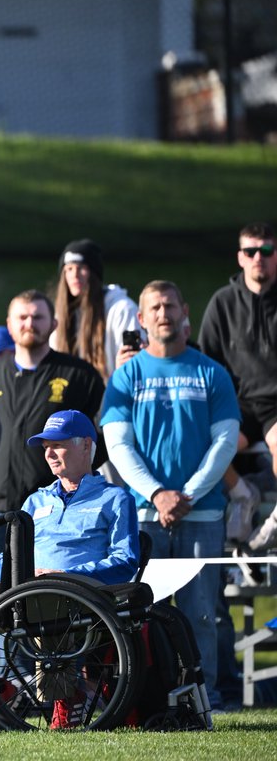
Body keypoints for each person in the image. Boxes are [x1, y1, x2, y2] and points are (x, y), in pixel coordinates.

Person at [0, 410, 139, 726]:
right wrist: (19, 575)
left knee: (48, 597)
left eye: (58, 445)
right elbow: (9, 557)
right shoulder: (35, 501)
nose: (49, 453)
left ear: (86, 445)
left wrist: (67, 577)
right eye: (45, 446)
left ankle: (64, 697)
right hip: (24, 589)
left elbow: (125, 562)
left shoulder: (114, 498)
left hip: (76, 594)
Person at [102, 280, 240, 710]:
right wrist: (158, 493)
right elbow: (118, 443)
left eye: (170, 306)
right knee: (142, 616)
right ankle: (148, 700)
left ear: (186, 315)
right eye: (154, 308)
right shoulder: (127, 376)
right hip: (144, 515)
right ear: (141, 320)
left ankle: (206, 699)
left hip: (202, 515)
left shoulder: (211, 372)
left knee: (202, 614)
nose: (164, 314)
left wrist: (188, 496)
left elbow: (225, 442)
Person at [0, 290, 106, 555]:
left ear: (53, 324)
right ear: (9, 325)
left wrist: (73, 480)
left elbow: (101, 435)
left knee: (51, 582)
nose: (30, 324)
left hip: (59, 505)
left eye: (38, 317)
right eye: (22, 317)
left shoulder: (79, 375)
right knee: (0, 588)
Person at [198, 222, 277, 550]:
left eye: (267, 250)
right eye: (251, 251)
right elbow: (207, 365)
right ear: (240, 257)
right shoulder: (222, 303)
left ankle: (274, 522)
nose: (259, 257)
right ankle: (242, 496)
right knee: (200, 438)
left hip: (276, 409)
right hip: (237, 405)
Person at [50, 239, 141, 381]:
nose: (75, 275)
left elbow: (133, 356)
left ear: (94, 273)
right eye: (69, 269)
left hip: (113, 396)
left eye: (81, 268)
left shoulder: (124, 309)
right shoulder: (60, 316)